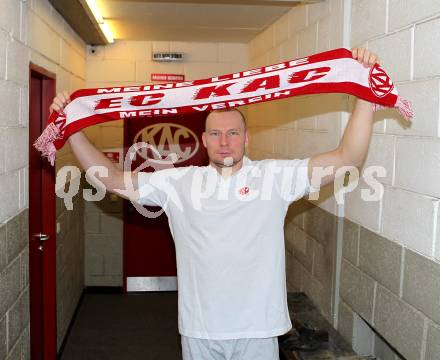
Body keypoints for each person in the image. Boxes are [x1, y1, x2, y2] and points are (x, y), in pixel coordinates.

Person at [50, 48, 379, 360]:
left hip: (258, 330)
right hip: (200, 330)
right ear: (204, 140)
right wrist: (73, 128)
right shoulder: (179, 182)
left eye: (233, 133)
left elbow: (346, 157)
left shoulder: (275, 177)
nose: (225, 142)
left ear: (246, 138)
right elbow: (109, 179)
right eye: (216, 134)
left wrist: (365, 94)